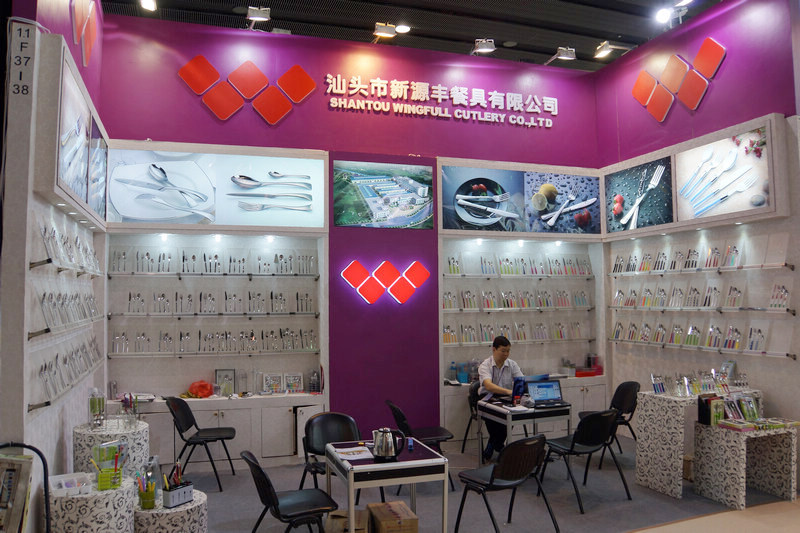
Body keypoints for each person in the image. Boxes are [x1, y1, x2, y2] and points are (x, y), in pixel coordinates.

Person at [478, 335, 523, 461]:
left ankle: (493, 444)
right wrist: (509, 391)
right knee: (493, 417)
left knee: (511, 414)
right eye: (503, 351)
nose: (506, 354)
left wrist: (518, 389)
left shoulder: (512, 364)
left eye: (508, 351)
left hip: (505, 397)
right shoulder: (485, 365)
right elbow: (488, 386)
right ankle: (499, 446)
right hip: (487, 397)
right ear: (494, 349)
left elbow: (521, 381)